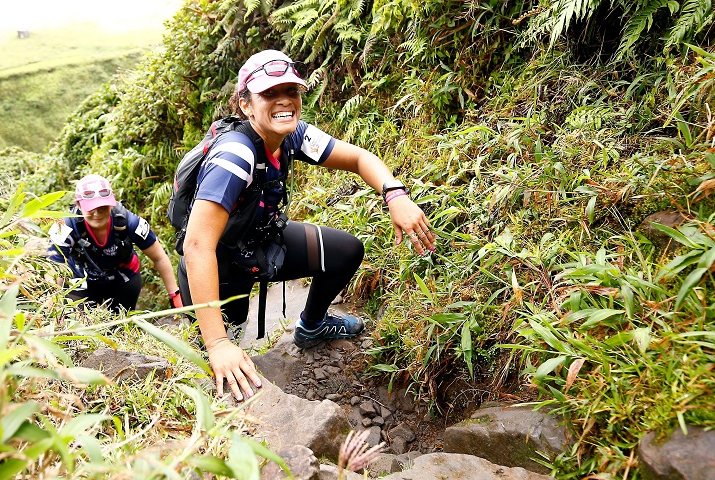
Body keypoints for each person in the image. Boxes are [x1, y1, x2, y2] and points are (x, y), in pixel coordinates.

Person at [177, 49, 436, 401]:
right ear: (246, 104)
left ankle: (312, 327)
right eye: (269, 93)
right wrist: (218, 342)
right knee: (226, 348)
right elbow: (197, 246)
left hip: (262, 241)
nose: (284, 101)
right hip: (219, 264)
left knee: (345, 251)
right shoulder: (235, 156)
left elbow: (359, 158)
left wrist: (395, 194)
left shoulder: (292, 134)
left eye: (292, 92)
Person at [48, 174, 182, 311]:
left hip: (123, 277)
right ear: (78, 205)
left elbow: (159, 257)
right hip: (81, 278)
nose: (97, 214)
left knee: (121, 325)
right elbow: (56, 269)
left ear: (112, 204)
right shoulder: (64, 228)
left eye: (103, 207)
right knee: (81, 323)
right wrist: (55, 305)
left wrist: (174, 294)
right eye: (90, 208)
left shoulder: (130, 222)